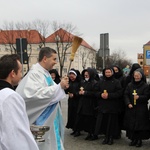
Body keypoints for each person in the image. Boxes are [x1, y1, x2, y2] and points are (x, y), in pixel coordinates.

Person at [16, 47, 69, 150]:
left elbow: (52, 90)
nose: (55, 62)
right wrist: (59, 87)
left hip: (51, 120)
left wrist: (61, 87)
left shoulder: (45, 73)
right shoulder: (34, 74)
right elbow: (32, 95)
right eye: (54, 59)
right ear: (45, 58)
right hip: (41, 121)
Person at [0, 54, 39, 150]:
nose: (21, 75)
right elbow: (15, 135)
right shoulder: (10, 97)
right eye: (21, 71)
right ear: (13, 73)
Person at [93, 67, 122, 145]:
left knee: (111, 123)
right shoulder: (100, 81)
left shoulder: (116, 82)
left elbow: (119, 93)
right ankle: (106, 137)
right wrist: (100, 94)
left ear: (112, 73)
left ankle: (111, 137)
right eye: (106, 72)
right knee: (104, 122)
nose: (108, 74)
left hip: (112, 106)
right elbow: (95, 91)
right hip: (103, 106)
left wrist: (109, 95)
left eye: (109, 72)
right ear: (104, 73)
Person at [123, 69, 150, 147]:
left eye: (138, 76)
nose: (136, 77)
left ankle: (139, 140)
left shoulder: (145, 86)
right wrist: (128, 103)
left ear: (141, 77)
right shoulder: (130, 85)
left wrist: (139, 97)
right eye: (135, 76)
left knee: (140, 125)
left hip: (141, 108)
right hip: (131, 107)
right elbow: (126, 94)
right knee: (131, 124)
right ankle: (133, 139)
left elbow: (147, 96)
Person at [74, 68, 98, 140]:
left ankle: (92, 134)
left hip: (90, 104)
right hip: (83, 104)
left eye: (87, 75)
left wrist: (86, 93)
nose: (86, 76)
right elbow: (77, 91)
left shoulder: (95, 83)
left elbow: (95, 93)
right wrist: (78, 93)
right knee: (84, 119)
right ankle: (87, 132)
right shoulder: (82, 82)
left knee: (91, 120)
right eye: (85, 75)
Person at [65, 69, 81, 135]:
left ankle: (78, 129)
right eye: (70, 74)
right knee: (71, 114)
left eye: (73, 74)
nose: (71, 76)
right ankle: (73, 128)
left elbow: (80, 91)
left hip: (78, 101)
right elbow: (66, 91)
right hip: (71, 101)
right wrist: (66, 89)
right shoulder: (69, 82)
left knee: (77, 115)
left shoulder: (79, 82)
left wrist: (74, 94)